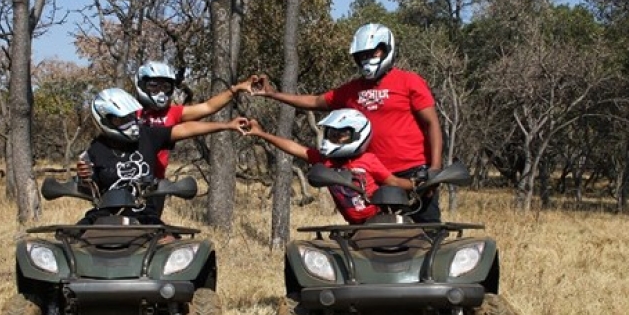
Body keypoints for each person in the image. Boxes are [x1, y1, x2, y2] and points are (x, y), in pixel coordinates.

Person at [251, 23, 444, 222]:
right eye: (362, 55)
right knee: (376, 237)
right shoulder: (351, 90)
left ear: (386, 49)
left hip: (413, 171)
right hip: (371, 174)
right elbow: (315, 101)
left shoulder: (409, 81)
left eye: (373, 52)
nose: (367, 59)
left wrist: (434, 171)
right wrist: (272, 94)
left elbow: (432, 125)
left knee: (426, 233)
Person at [75, 87, 247, 225]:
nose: (131, 122)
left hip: (145, 216)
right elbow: (92, 191)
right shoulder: (94, 150)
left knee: (173, 250)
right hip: (104, 216)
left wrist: (226, 125)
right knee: (71, 242)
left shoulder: (147, 136)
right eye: (122, 119)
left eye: (131, 116)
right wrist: (84, 178)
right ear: (105, 121)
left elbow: (185, 129)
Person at [241, 109, 414, 224]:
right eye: (332, 134)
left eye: (341, 135)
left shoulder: (368, 159)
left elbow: (394, 182)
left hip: (380, 221)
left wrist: (415, 184)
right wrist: (261, 133)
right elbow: (295, 148)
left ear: (357, 135)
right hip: (353, 226)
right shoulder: (326, 161)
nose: (335, 138)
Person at [134, 60, 256, 217]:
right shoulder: (129, 112)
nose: (160, 93)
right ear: (142, 85)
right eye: (154, 86)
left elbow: (208, 107)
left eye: (165, 87)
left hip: (156, 183)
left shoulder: (173, 112)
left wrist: (235, 90)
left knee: (151, 228)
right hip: (127, 179)